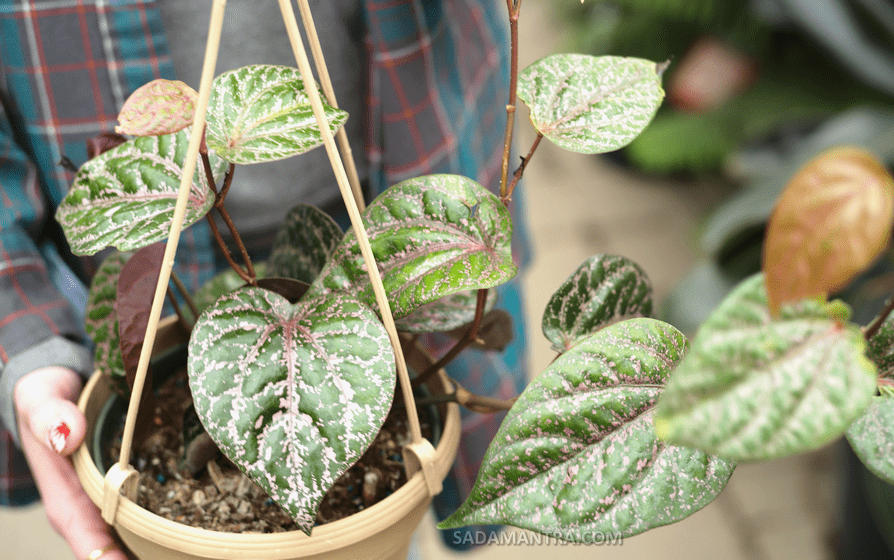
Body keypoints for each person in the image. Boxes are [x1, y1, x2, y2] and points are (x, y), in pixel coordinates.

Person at [0, 1, 530, 559]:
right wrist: (21, 329)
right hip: (170, 250)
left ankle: (302, 491)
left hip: (374, 182)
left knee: (394, 407)